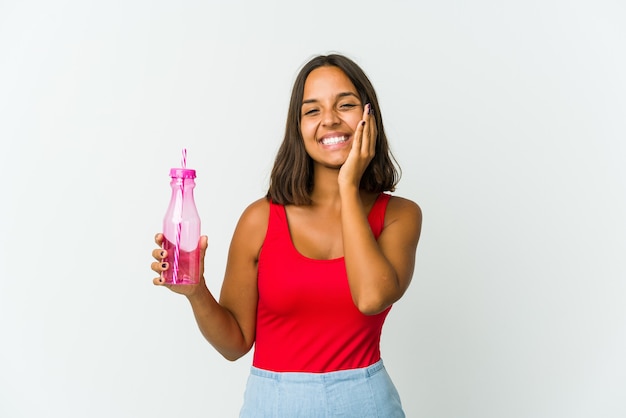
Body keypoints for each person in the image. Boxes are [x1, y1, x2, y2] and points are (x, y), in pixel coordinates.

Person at [151, 53, 422, 417]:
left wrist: (347, 186)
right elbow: (235, 345)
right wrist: (196, 291)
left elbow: (372, 297)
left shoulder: (400, 215)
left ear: (368, 118)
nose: (329, 119)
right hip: (273, 403)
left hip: (366, 402)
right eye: (312, 111)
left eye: (346, 105)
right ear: (297, 127)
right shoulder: (259, 220)